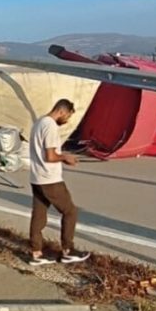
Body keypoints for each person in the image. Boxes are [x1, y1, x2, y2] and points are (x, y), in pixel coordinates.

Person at [28, 99, 90, 266]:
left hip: (37, 177)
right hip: (50, 179)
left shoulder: (39, 123)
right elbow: (50, 156)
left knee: (39, 216)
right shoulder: (50, 126)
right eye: (68, 116)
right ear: (62, 111)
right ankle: (68, 250)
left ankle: (36, 253)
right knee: (70, 211)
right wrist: (65, 157)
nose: (67, 120)